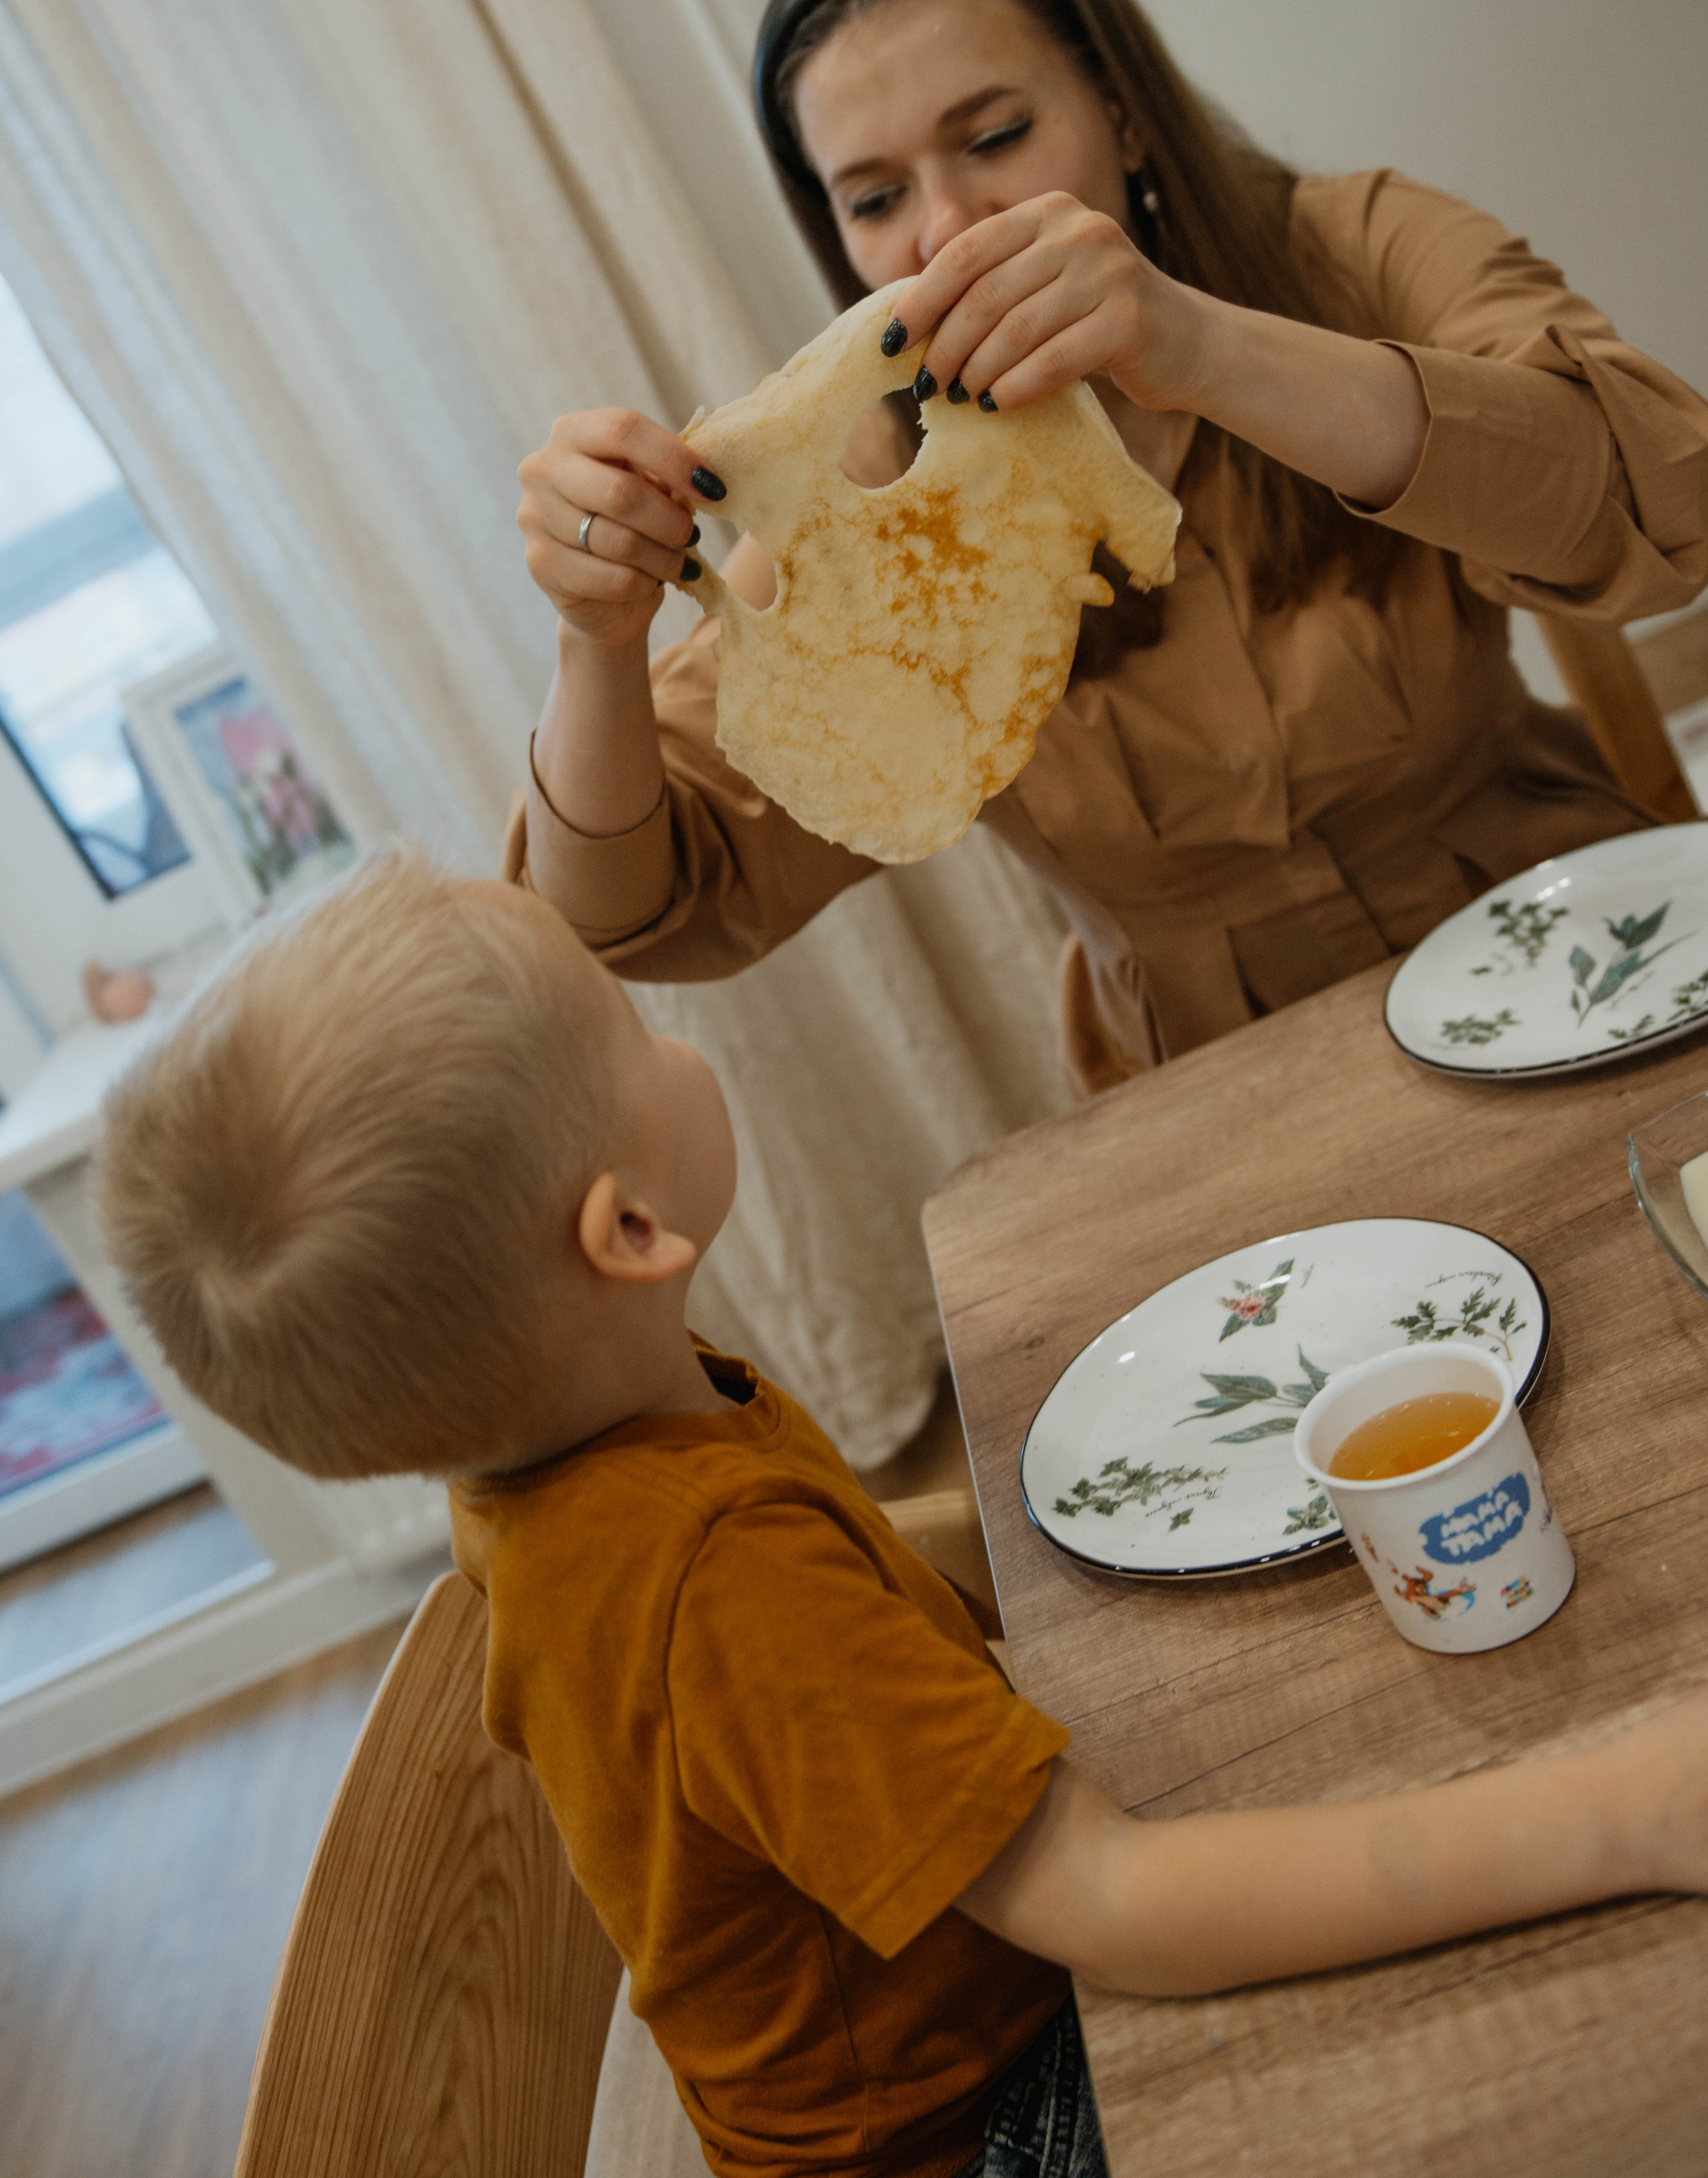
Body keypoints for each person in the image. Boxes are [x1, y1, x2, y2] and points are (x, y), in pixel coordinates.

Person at [98, 851, 1708, 2178]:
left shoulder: (560, 1449)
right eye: (627, 1029)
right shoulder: (711, 1584)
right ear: (633, 1226)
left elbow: (845, 1591)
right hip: (981, 2129)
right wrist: (1617, 1811)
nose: (670, 1041)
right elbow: (1114, 1905)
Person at [509, 0, 1708, 1091]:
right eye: (875, 199)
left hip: (1581, 959)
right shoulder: (870, 508)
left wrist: (1205, 350)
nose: (945, 227)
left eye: (994, 139)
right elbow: (635, 910)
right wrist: (596, 639)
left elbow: (1668, 496)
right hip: (1213, 1098)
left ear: (1125, 116)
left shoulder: (1354, 252)